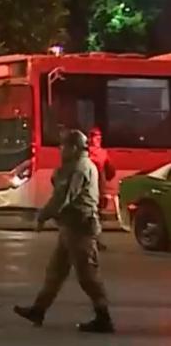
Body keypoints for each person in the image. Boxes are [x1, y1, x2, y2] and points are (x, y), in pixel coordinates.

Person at [14, 129, 114, 334]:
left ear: (74, 148)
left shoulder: (79, 168)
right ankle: (38, 310)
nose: (61, 150)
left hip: (80, 228)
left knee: (88, 276)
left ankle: (104, 317)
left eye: (65, 146)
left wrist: (43, 216)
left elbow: (63, 197)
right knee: (55, 272)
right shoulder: (75, 167)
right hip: (70, 227)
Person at [88, 127, 117, 251]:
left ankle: (93, 240)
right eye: (96, 137)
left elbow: (110, 170)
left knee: (93, 215)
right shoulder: (101, 153)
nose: (99, 139)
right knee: (95, 216)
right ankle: (94, 240)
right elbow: (111, 171)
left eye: (99, 137)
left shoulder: (87, 153)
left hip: (94, 188)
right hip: (96, 188)